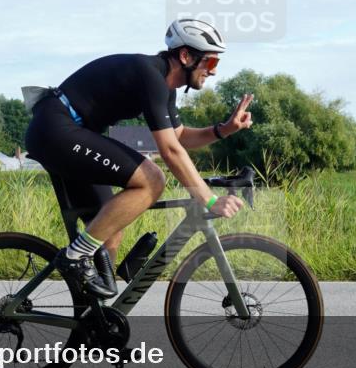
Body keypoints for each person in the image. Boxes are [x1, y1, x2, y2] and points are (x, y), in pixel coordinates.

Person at [25, 19, 254, 298]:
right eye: (211, 63)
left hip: (66, 132)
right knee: (152, 179)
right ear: (185, 56)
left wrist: (223, 130)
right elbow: (170, 151)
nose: (212, 72)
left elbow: (180, 137)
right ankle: (74, 258)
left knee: (108, 227)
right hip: (56, 129)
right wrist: (208, 199)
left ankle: (94, 322)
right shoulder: (149, 75)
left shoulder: (165, 88)